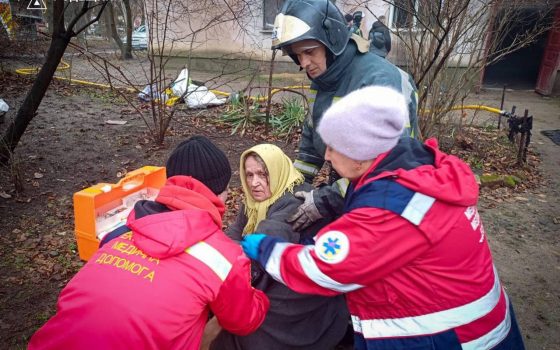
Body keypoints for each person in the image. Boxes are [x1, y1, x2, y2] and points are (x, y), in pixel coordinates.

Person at [241, 86, 526, 350]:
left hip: (452, 337)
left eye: (333, 146)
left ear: (360, 152)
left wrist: (266, 249)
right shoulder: (409, 170)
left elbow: (324, 271)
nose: (326, 155)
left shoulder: (393, 205)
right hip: (469, 321)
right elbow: (362, 240)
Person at [29, 136, 270, 350]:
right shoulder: (223, 258)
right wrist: (258, 288)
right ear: (220, 192)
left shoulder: (119, 234)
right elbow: (245, 320)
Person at [270, 0, 419, 231]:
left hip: (389, 202)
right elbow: (311, 148)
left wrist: (325, 199)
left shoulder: (379, 81)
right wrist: (290, 189)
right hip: (346, 190)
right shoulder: (324, 81)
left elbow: (387, 165)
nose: (304, 63)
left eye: (309, 52)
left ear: (332, 41)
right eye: (297, 55)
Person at [210, 144, 349, 350]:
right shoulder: (255, 203)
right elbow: (231, 238)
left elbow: (255, 251)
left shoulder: (294, 201)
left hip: (306, 301)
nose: (254, 183)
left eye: (262, 174)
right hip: (279, 277)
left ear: (277, 171)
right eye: (249, 175)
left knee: (243, 333)